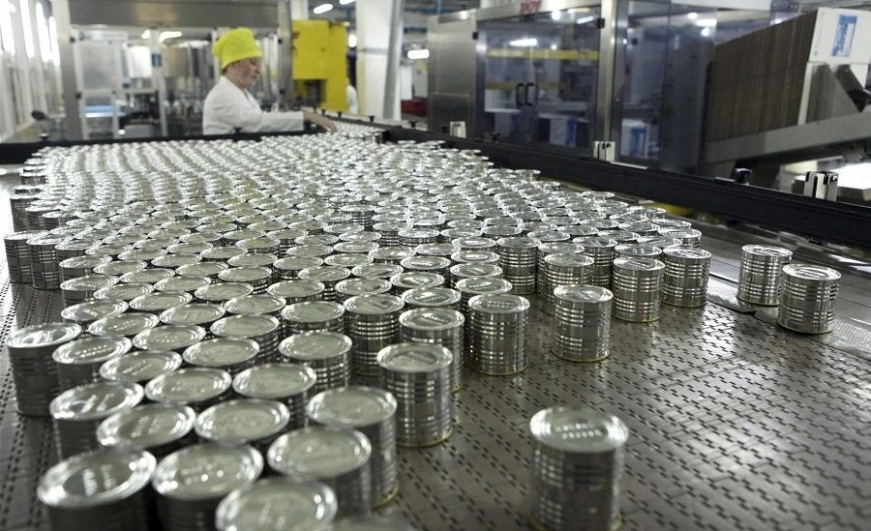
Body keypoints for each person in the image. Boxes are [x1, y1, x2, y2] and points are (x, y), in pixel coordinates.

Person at [203, 27, 337, 135]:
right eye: (253, 63)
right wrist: (303, 116)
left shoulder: (241, 93)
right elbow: (256, 123)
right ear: (233, 64)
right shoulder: (222, 95)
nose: (258, 70)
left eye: (259, 64)